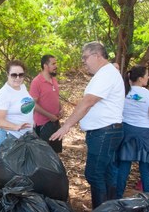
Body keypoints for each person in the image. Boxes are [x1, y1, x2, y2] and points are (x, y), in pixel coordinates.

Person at [50, 41, 125, 209]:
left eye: (85, 57)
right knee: (106, 173)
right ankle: (110, 207)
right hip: (107, 132)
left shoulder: (106, 74)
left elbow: (88, 102)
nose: (83, 61)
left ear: (97, 55)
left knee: (94, 174)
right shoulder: (107, 72)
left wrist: (67, 125)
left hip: (105, 133)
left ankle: (102, 208)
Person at [116, 65, 149, 198]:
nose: (148, 77)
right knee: (146, 168)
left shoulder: (124, 91)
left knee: (123, 166)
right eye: (147, 75)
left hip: (126, 131)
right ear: (141, 78)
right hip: (145, 135)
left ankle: (117, 197)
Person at [0, 60, 34, 146]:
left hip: (26, 137)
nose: (18, 78)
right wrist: (16, 127)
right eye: (14, 75)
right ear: (7, 74)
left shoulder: (22, 87)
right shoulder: (3, 94)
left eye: (21, 75)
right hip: (10, 138)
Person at [30, 54, 63, 153]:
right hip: (43, 125)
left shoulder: (54, 79)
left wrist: (61, 108)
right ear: (45, 66)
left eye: (55, 63)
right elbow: (33, 104)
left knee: (55, 154)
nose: (56, 66)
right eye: (53, 64)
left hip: (55, 123)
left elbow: (55, 97)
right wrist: (49, 116)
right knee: (44, 156)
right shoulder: (36, 82)